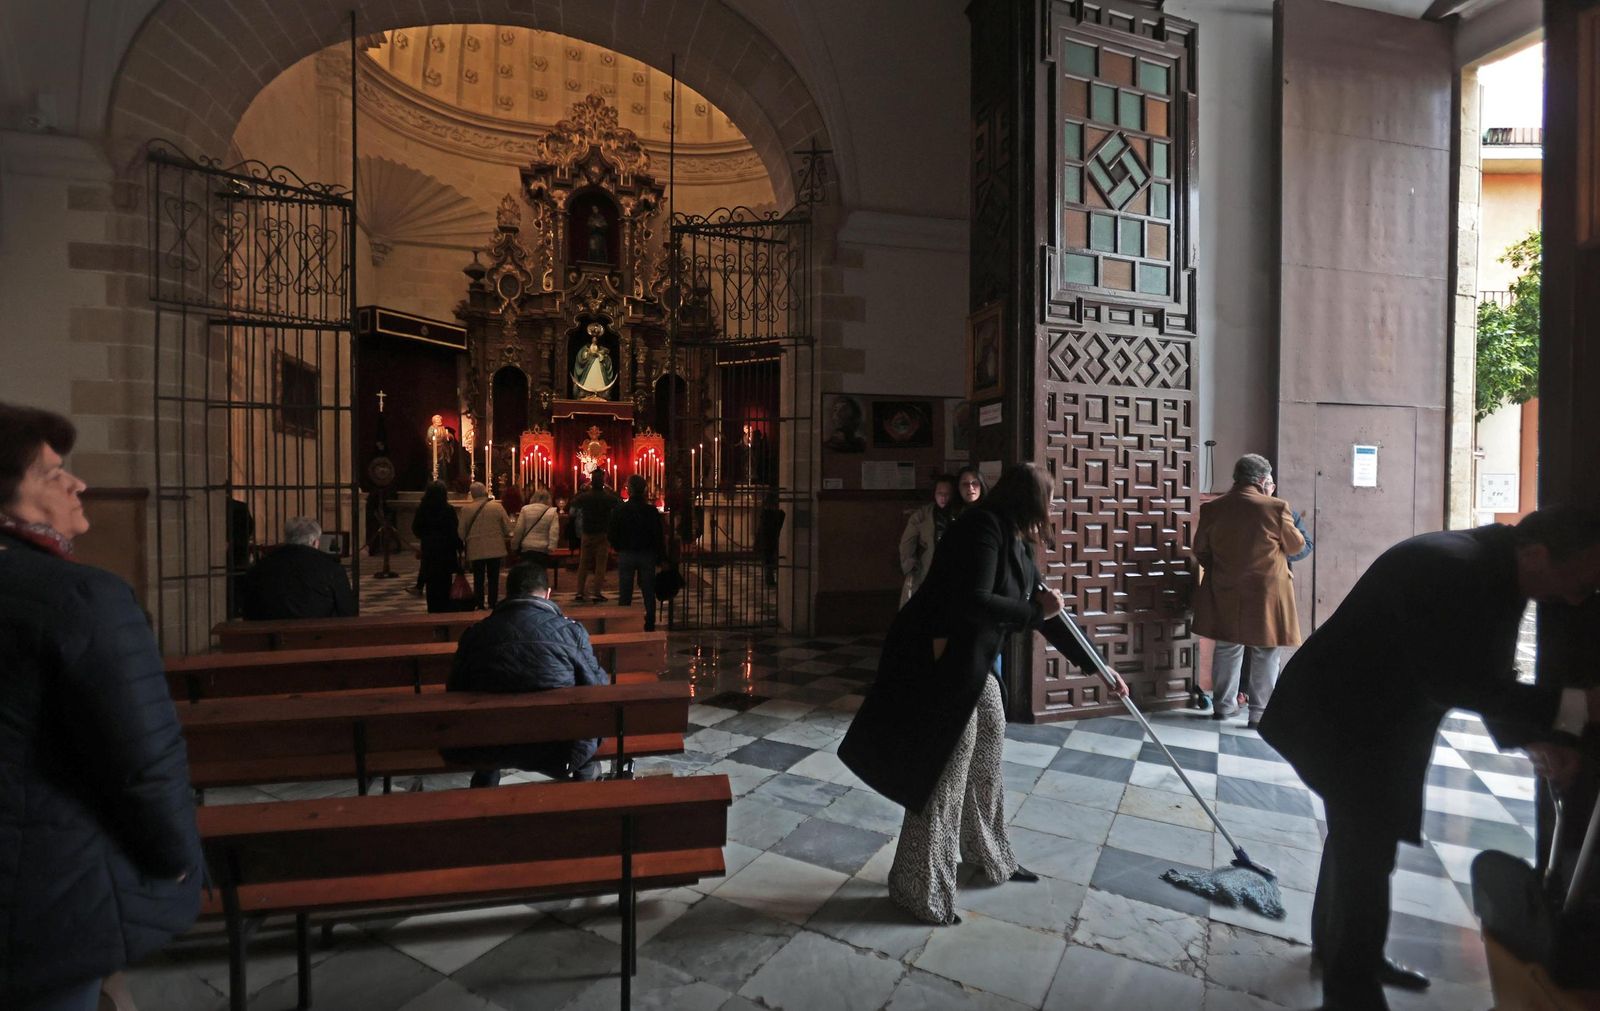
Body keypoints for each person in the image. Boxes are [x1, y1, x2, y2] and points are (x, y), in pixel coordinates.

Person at [1258, 507, 1600, 1010]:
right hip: (1338, 720)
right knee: (1366, 852)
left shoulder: (1496, 569)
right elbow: (1456, 679)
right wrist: (1579, 706)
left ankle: (1345, 955)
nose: (1578, 596)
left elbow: (1484, 671)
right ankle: (1351, 994)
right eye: (1581, 580)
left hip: (1370, 721)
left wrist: (1535, 738)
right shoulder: (1455, 567)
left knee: (1361, 843)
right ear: (1539, 553)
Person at [839, 463, 1127, 925]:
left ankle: (986, 853)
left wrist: (1098, 666)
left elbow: (1049, 614)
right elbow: (973, 600)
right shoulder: (981, 528)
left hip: (970, 662)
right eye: (1047, 499)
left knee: (988, 752)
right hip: (937, 659)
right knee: (945, 772)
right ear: (1026, 499)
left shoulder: (1014, 538)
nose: (1050, 509)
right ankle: (917, 886)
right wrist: (1032, 610)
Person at [0, 402, 202, 1010]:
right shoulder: (84, 598)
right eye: (51, 473)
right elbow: (144, 760)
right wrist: (177, 860)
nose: (76, 483)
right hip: (46, 894)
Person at [444, 562, 612, 786]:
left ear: (508, 593)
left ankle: (485, 783)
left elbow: (455, 686)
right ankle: (585, 793)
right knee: (588, 728)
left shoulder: (477, 633)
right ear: (548, 594)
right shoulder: (570, 631)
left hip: (490, 743)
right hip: (561, 744)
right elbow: (596, 687)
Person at [1190, 454, 1306, 727]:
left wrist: (1223, 569)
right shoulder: (1275, 508)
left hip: (1226, 587)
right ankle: (1259, 713)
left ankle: (1223, 706)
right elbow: (1297, 546)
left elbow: (1200, 550)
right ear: (1264, 481)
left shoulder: (1214, 508)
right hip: (1267, 592)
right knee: (1266, 650)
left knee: (1228, 645)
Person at [237, 516, 356, 620]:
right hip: (319, 637)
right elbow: (346, 610)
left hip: (270, 637)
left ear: (287, 538)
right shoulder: (330, 567)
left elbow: (248, 606)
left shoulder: (263, 564)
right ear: (315, 541)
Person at [608, 474, 665, 631]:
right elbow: (658, 535)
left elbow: (612, 532)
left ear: (629, 490)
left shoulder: (620, 509)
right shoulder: (651, 511)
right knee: (648, 589)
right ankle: (650, 621)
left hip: (626, 553)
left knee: (625, 590)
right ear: (645, 490)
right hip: (647, 554)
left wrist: (617, 547)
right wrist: (660, 556)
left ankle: (624, 622)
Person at [899, 474, 958, 606]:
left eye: (947, 494)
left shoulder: (959, 513)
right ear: (934, 494)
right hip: (928, 567)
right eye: (939, 493)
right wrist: (910, 565)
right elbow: (907, 543)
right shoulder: (922, 515)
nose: (943, 497)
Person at [570, 470, 621, 602]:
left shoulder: (586, 496)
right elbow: (619, 502)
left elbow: (574, 502)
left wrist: (582, 490)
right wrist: (610, 490)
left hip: (587, 533)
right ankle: (597, 592)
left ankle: (580, 591)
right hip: (602, 533)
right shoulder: (606, 497)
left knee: (584, 563)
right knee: (600, 564)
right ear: (603, 482)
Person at [459, 481, 511, 610]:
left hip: (476, 548)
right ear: (485, 491)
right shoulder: (497, 507)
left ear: (472, 494)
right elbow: (507, 527)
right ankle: (493, 602)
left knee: (478, 577)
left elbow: (461, 532)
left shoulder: (466, 509)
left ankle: (480, 603)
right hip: (495, 547)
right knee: (493, 577)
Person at [412, 480, 462, 613]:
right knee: (445, 586)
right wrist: (459, 546)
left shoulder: (423, 509)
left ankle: (433, 613)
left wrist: (427, 537)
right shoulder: (448, 510)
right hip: (446, 554)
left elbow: (416, 529)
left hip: (430, 553)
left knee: (431, 588)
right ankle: (445, 615)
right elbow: (453, 530)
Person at [510, 488, 561, 572]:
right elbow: (554, 532)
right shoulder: (552, 512)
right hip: (542, 549)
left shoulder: (525, 509)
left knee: (527, 572)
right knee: (541, 572)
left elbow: (519, 529)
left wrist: (514, 546)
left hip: (527, 547)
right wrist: (552, 547)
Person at [757, 488, 786, 587]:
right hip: (768, 540)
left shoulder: (766, 513)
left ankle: (770, 580)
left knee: (769, 561)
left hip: (768, 540)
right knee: (768, 561)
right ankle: (769, 580)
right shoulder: (769, 514)